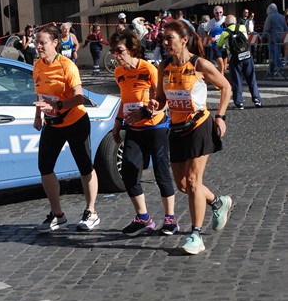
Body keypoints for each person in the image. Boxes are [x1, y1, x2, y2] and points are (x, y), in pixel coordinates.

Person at [153, 19, 232, 255]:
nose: (166, 42)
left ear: (184, 40)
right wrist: (153, 106)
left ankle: (196, 235)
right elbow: (162, 99)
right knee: (183, 184)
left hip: (199, 125)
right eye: (164, 38)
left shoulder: (200, 64)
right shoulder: (164, 66)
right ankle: (219, 203)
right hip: (176, 129)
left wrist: (221, 117)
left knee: (194, 180)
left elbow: (225, 87)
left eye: (170, 38)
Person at [110, 30, 179, 237]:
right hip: (134, 129)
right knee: (129, 172)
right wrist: (117, 122)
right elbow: (124, 98)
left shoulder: (148, 68)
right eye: (113, 51)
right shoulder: (119, 73)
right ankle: (143, 218)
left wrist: (149, 110)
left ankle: (170, 219)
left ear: (132, 50)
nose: (116, 55)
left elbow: (163, 99)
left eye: (119, 50)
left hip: (155, 127)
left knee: (161, 173)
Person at [33, 24, 100, 232]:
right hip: (52, 124)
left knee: (84, 165)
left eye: (42, 42)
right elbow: (39, 94)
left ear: (55, 43)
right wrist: (38, 116)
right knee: (45, 167)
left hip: (75, 121)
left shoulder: (67, 66)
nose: (38, 46)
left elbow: (79, 98)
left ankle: (91, 212)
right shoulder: (37, 65)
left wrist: (59, 105)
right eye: (36, 42)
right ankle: (57, 215)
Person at [217, 15, 261, 109]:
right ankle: (257, 100)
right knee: (251, 79)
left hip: (235, 59)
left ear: (226, 23)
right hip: (247, 56)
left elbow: (219, 47)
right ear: (235, 21)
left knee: (237, 81)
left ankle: (239, 103)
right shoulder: (242, 27)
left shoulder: (224, 33)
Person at [263, 3, 288, 79]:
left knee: (273, 53)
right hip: (281, 36)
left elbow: (266, 28)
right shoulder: (282, 17)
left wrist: (263, 36)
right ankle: (271, 70)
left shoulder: (270, 17)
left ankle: (280, 68)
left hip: (272, 37)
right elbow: (286, 28)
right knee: (275, 53)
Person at [204, 5, 227, 74]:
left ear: (222, 12)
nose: (219, 14)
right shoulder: (211, 22)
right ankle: (221, 82)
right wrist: (210, 38)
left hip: (225, 45)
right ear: (214, 13)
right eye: (217, 13)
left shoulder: (226, 19)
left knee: (224, 67)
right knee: (221, 64)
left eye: (220, 12)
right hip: (216, 45)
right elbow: (205, 32)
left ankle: (215, 74)